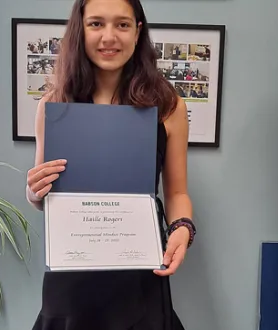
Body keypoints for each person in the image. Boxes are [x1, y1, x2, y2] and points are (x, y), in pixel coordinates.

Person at [25, 0, 197, 329]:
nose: (109, 36)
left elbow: (176, 192)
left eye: (121, 25)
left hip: (138, 277)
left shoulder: (168, 105)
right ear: (81, 29)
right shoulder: (54, 104)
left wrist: (182, 228)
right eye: (96, 24)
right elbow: (40, 198)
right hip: (73, 276)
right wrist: (34, 190)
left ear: (137, 32)